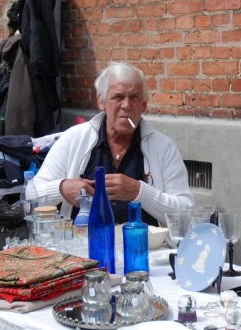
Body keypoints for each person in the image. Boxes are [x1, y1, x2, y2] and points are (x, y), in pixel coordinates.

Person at [33, 61, 194, 226]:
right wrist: (61, 188)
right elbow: (31, 194)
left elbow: (185, 215)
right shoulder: (74, 139)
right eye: (118, 97)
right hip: (83, 240)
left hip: (145, 242)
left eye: (134, 98)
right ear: (101, 102)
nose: (126, 105)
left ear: (144, 105)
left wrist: (139, 192)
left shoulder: (163, 147)